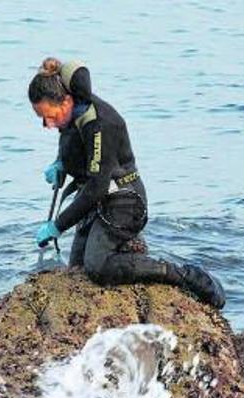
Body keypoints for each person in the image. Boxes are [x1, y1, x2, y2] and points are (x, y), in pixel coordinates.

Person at [28, 57, 225, 309]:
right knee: (77, 268)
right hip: (95, 201)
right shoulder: (72, 112)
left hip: (124, 202)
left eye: (50, 116)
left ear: (66, 101)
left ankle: (184, 275)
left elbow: (97, 187)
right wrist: (60, 164)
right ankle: (127, 247)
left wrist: (58, 225)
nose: (48, 124)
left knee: (97, 268)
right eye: (42, 118)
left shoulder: (102, 123)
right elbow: (70, 140)